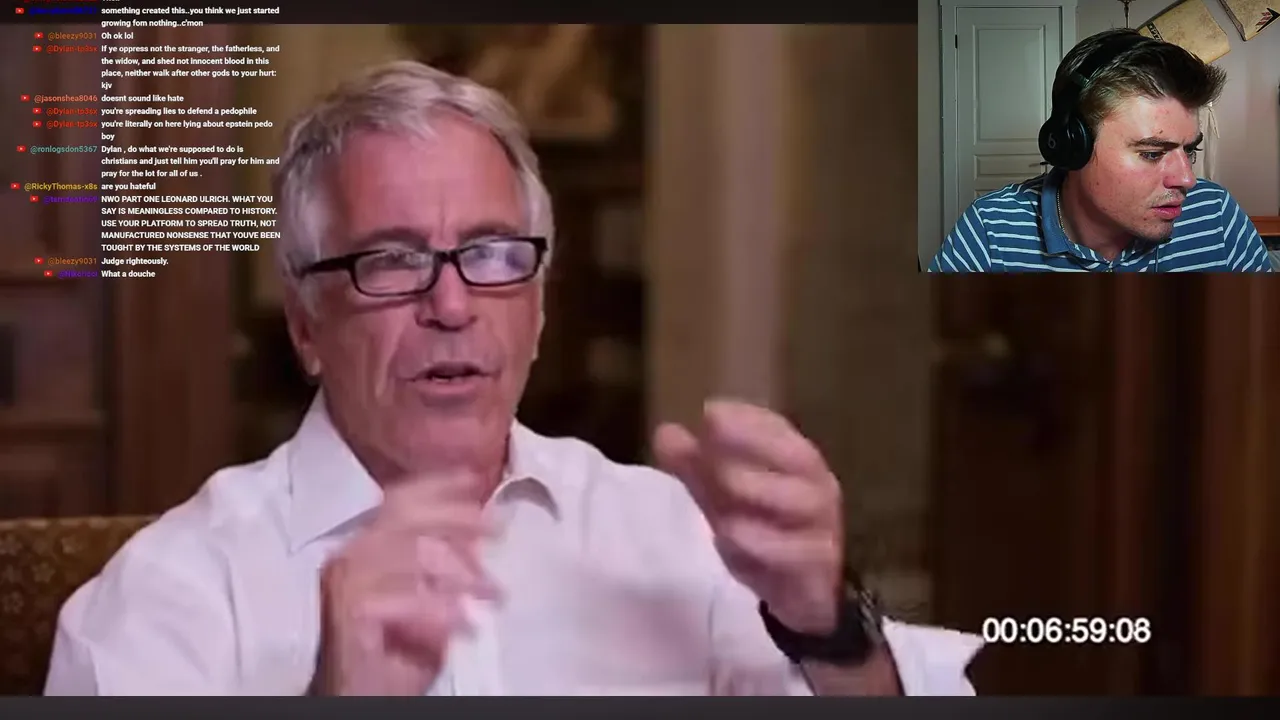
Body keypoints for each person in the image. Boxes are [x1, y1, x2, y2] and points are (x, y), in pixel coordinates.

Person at [45, 61, 981, 696]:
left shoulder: (676, 538)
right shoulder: (168, 600)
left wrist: (826, 625)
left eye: (493, 254)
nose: (452, 305)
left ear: (537, 306)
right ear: (305, 325)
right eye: (392, 261)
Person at [928, 28, 1273, 273]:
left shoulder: (1216, 213)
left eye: (1189, 150)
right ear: (1072, 145)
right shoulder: (990, 231)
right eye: (1152, 153)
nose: (1187, 180)